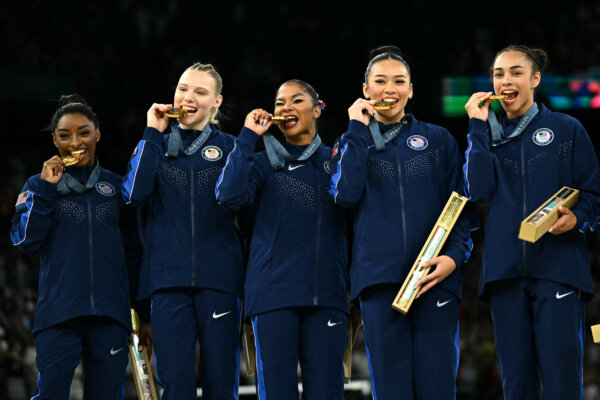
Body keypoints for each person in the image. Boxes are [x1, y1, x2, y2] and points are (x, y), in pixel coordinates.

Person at [329, 46, 474, 399]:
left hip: (434, 279)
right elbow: (345, 195)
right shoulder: (350, 142)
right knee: (391, 391)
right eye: (380, 81)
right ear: (365, 90)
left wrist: (454, 257)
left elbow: (460, 209)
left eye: (399, 81)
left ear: (411, 90)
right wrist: (356, 131)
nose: (389, 89)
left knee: (438, 389)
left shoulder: (438, 141)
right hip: (380, 283)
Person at [463, 45, 600, 400]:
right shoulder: (488, 139)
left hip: (558, 267)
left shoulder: (566, 129)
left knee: (562, 382)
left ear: (535, 79)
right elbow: (478, 190)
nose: (505, 80)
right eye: (498, 74)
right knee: (516, 385)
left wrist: (578, 218)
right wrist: (477, 128)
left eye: (516, 72)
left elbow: (593, 194)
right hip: (505, 272)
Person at [215, 79, 350, 400]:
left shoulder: (339, 163)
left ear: (317, 110)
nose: (286, 107)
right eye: (279, 103)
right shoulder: (260, 164)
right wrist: (248, 137)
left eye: (297, 100)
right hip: (273, 297)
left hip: (327, 296)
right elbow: (229, 196)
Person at [122, 62, 245, 400]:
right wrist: (152, 131)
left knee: (222, 385)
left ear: (217, 102)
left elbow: (248, 219)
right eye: (182, 88)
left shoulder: (234, 148)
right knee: (175, 385)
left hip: (220, 280)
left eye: (200, 92)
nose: (188, 97)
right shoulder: (155, 146)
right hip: (167, 282)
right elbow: (133, 195)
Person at [10, 94, 143, 399]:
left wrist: (140, 312)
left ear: (98, 133)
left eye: (84, 132)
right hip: (59, 316)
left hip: (110, 316)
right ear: (54, 141)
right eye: (64, 135)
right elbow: (26, 241)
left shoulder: (117, 187)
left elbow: (134, 254)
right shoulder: (37, 185)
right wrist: (46, 189)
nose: (75, 142)